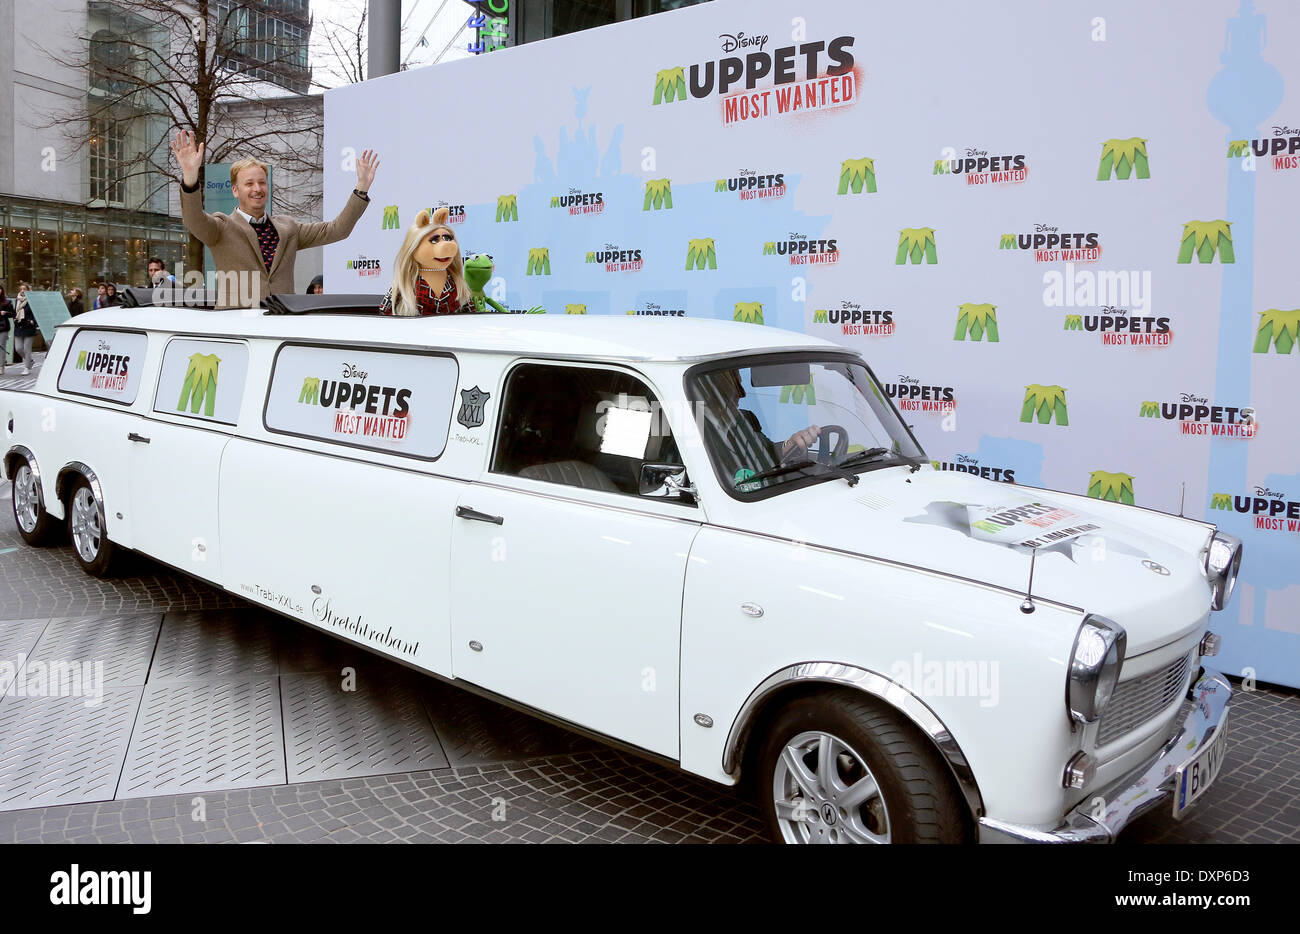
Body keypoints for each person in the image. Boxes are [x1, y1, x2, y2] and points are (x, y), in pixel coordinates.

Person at [170, 130, 379, 310]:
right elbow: (194, 220)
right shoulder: (221, 227)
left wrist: (361, 188)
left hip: (280, 329)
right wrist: (190, 177)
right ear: (235, 190)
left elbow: (337, 230)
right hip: (238, 330)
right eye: (249, 183)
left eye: (262, 182)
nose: (257, 189)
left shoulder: (288, 228)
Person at [379, 208, 474, 316]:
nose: (446, 245)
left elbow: (469, 311)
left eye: (447, 238)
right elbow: (385, 312)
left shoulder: (456, 281)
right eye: (434, 240)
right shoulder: (406, 284)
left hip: (451, 331)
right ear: (413, 246)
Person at [13, 286, 40, 375]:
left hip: (29, 327)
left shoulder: (32, 300)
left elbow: (37, 312)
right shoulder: (17, 300)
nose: (22, 291)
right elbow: (15, 312)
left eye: (24, 289)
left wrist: (33, 321)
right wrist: (14, 318)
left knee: (27, 349)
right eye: (20, 289)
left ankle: (26, 368)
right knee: (18, 348)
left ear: (28, 291)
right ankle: (30, 361)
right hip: (19, 327)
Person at [0, 286, 13, 375]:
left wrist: (5, 313)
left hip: (3, 327)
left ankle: (1, 366)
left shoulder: (7, 302)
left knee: (1, 346)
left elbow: (13, 314)